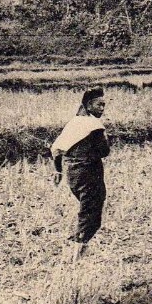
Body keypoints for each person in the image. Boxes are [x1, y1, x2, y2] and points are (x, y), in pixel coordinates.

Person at [51, 87, 110, 260]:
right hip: (89, 173)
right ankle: (77, 253)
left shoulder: (74, 123)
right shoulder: (94, 127)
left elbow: (56, 149)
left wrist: (58, 171)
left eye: (104, 105)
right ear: (89, 105)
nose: (102, 108)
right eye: (99, 105)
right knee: (91, 212)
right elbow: (105, 151)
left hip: (72, 174)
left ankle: (79, 248)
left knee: (87, 209)